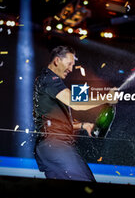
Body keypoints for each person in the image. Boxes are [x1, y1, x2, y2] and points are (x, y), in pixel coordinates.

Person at [33, 45, 117, 181]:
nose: (71, 69)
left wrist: (84, 125)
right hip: (57, 146)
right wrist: (107, 98)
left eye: (73, 65)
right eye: (69, 64)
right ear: (56, 61)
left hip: (46, 148)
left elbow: (53, 122)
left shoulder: (44, 80)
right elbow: (76, 104)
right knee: (88, 185)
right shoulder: (50, 80)